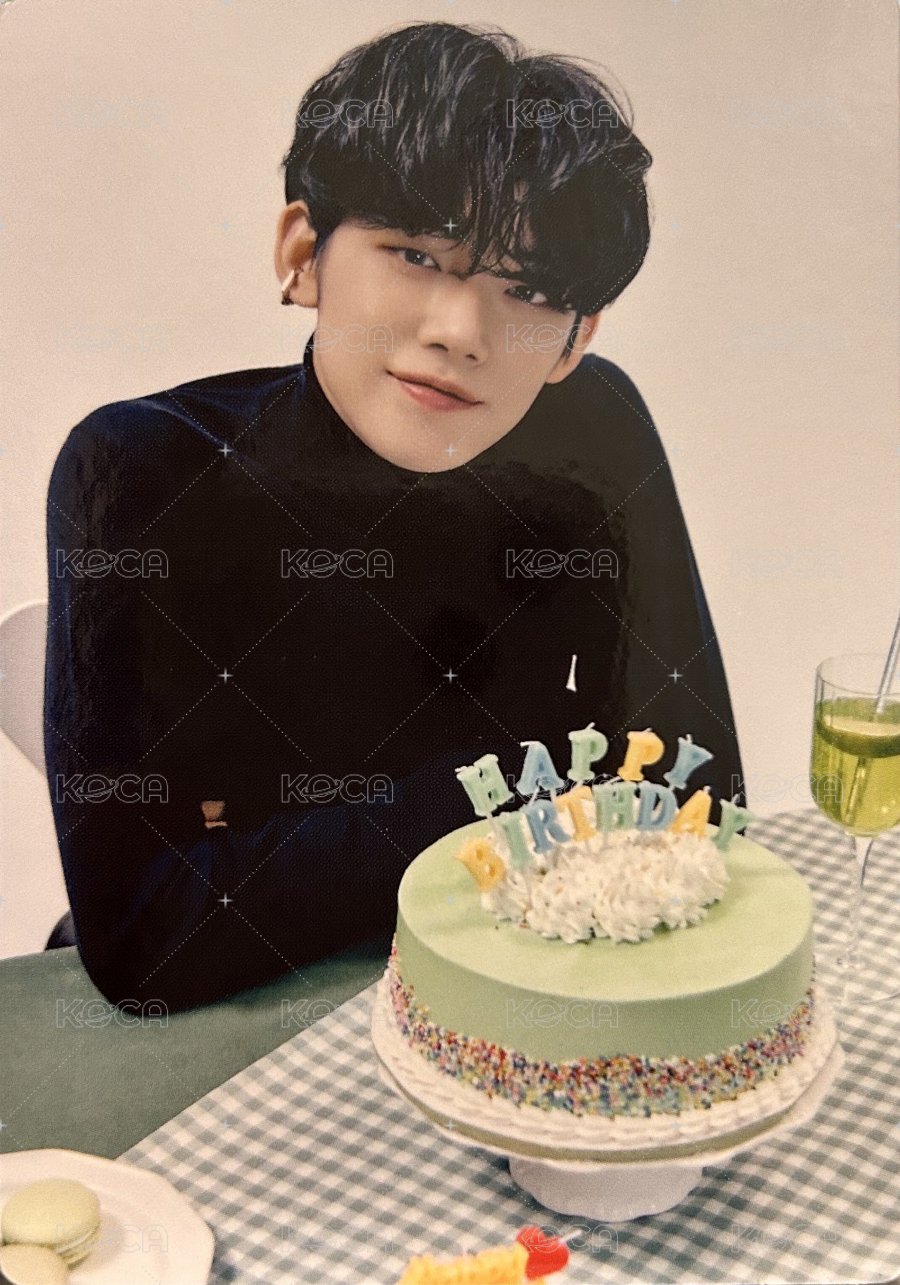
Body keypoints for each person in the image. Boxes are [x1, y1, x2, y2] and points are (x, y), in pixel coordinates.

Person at [43, 21, 746, 1012]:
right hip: (234, 1019)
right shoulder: (142, 468)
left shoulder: (593, 432)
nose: (461, 332)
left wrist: (296, 848)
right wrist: (531, 781)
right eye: (416, 253)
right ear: (303, 256)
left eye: (530, 290)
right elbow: (145, 940)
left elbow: (700, 796)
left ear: (575, 339)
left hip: (498, 986)